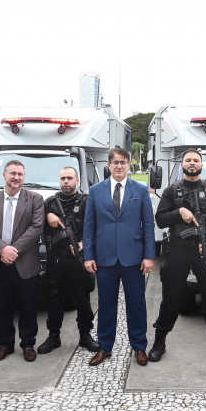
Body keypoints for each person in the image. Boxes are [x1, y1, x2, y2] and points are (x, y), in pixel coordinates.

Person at [150, 149, 206, 362]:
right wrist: (179, 212)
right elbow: (160, 220)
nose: (192, 163)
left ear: (201, 164)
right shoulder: (172, 191)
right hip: (177, 249)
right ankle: (159, 340)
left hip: (203, 251)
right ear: (182, 165)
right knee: (171, 298)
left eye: (196, 160)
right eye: (188, 160)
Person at [83, 148, 155, 367]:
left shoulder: (140, 190)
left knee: (137, 305)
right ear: (108, 165)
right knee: (105, 305)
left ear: (129, 165)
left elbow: (149, 225)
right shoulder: (95, 191)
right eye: (115, 162)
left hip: (133, 258)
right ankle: (104, 347)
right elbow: (89, 226)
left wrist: (149, 256)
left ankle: (139, 347)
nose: (119, 166)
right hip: (104, 258)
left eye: (123, 162)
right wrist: (88, 255)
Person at [0, 160, 45, 363]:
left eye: (20, 174)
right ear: (4, 175)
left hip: (25, 263)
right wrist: (2, 249)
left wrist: (13, 250)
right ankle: (5, 344)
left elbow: (36, 227)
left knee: (28, 307)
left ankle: (27, 344)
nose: (16, 178)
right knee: (2, 307)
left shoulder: (35, 199)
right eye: (13, 173)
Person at [39, 166, 99, 355]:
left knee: (82, 299)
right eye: (63, 178)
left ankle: (85, 335)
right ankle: (53, 336)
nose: (66, 181)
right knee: (55, 298)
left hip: (78, 259)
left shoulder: (86, 202)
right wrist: (46, 215)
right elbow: (36, 224)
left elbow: (97, 227)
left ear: (77, 180)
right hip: (56, 259)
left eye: (69, 178)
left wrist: (85, 243)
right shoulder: (49, 203)